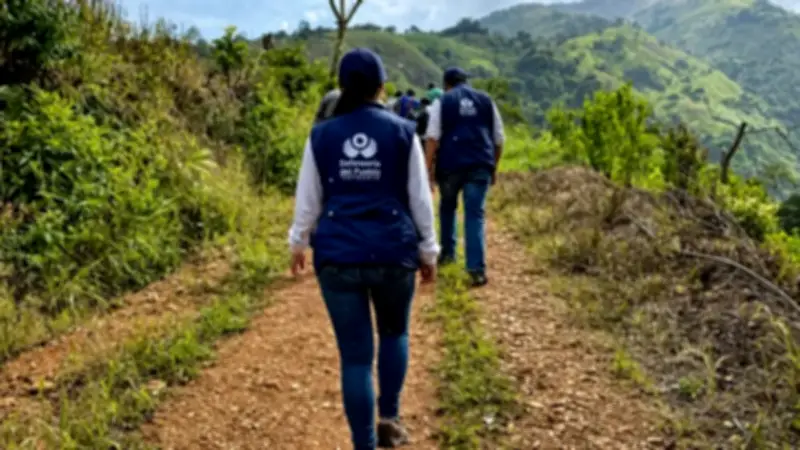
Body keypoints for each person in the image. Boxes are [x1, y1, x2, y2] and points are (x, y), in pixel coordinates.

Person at [288, 48, 440, 449]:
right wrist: (429, 251)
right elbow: (419, 198)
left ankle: (364, 443)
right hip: (394, 251)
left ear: (341, 88)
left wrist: (298, 241)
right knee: (394, 334)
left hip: (338, 256)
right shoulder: (403, 132)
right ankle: (389, 418)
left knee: (355, 358)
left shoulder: (321, 136)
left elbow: (309, 197)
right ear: (381, 87)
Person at [423, 67, 505, 287]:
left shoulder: (443, 102)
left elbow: (432, 138)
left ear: (446, 84)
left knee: (447, 208)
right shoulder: (486, 101)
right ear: (466, 82)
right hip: (480, 164)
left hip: (450, 165)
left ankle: (448, 255)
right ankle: (476, 270)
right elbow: (498, 139)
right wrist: (493, 168)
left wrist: (427, 169)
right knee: (474, 214)